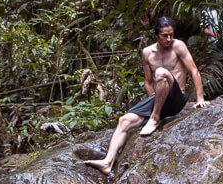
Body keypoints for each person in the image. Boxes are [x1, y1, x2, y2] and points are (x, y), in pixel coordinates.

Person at [83, 16, 207, 175]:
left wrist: (200, 99)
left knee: (161, 73)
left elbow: (194, 70)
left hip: (177, 98)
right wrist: (156, 104)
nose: (169, 39)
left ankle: (154, 119)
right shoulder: (147, 52)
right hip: (159, 100)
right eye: (164, 35)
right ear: (156, 34)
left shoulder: (179, 46)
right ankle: (108, 162)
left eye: (171, 34)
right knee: (124, 121)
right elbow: (148, 82)